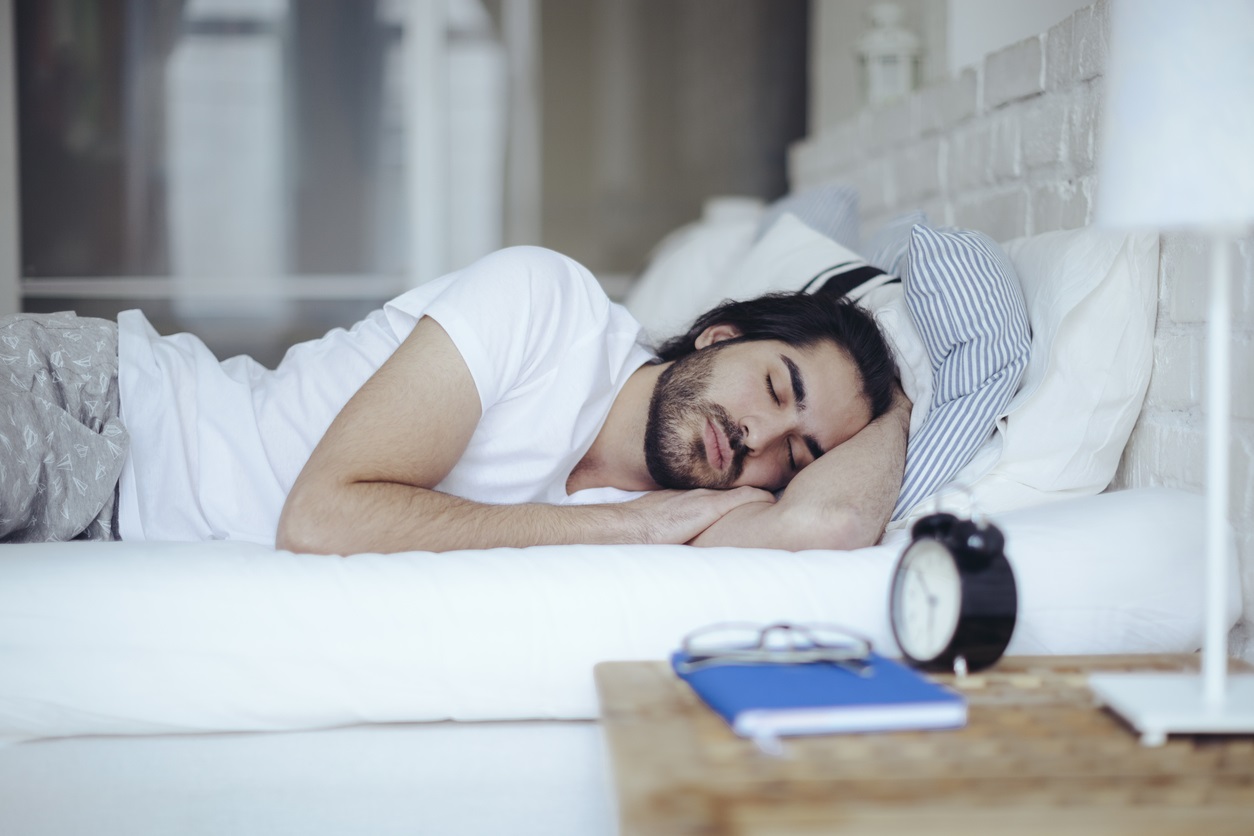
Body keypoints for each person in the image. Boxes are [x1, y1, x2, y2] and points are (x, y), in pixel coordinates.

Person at [1, 246, 910, 553]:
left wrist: (905, 404)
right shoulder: (547, 303)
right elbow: (321, 516)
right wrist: (625, 526)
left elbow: (826, 525)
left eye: (797, 454)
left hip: (113, 518)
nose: (759, 438)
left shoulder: (708, 502)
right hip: (107, 410)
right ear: (718, 336)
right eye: (777, 387)